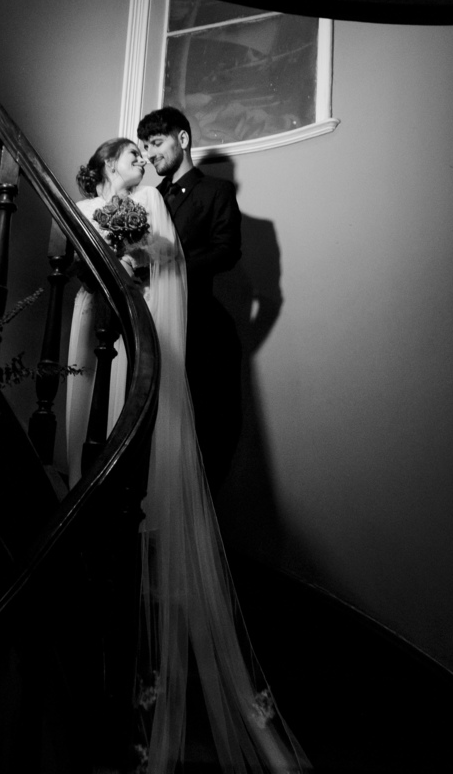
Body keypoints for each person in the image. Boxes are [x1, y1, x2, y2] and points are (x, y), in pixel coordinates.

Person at [65, 138, 308, 773]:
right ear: (106, 166)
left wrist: (136, 253)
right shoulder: (85, 207)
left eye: (145, 155)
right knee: (87, 410)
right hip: (92, 317)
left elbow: (168, 266)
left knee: (129, 413)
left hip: (133, 317)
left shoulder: (150, 203)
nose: (141, 163)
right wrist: (108, 256)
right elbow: (79, 261)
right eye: (130, 155)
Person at [137, 107, 244, 497]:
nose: (150, 154)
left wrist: (172, 267)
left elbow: (227, 251)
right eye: (144, 148)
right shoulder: (147, 198)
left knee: (204, 427)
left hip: (200, 326)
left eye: (156, 143)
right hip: (152, 326)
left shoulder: (216, 191)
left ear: (182, 139)